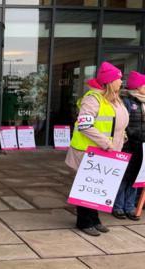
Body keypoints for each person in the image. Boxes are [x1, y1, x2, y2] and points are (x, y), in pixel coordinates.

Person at [66, 61, 129, 236]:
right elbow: (85, 125)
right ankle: (84, 221)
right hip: (90, 151)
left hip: (106, 151)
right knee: (87, 187)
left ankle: (94, 219)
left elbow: (116, 124)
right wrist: (106, 143)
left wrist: (121, 137)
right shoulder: (93, 99)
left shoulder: (115, 99)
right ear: (110, 81)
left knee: (99, 187)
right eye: (118, 79)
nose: (121, 82)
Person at [112, 71, 145, 221]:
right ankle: (118, 206)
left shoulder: (143, 102)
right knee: (124, 177)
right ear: (138, 87)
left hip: (141, 147)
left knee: (137, 177)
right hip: (128, 145)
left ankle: (130, 206)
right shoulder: (125, 101)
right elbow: (122, 124)